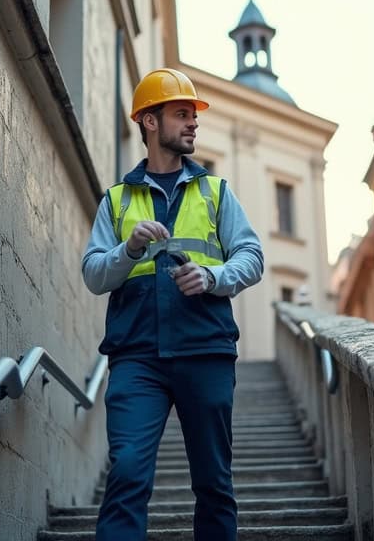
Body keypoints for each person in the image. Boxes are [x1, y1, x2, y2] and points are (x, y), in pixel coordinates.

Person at [82, 68, 264, 540]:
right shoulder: (117, 201)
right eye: (181, 114)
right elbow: (93, 274)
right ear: (148, 122)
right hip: (136, 358)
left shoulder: (215, 191)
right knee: (126, 474)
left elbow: (252, 255)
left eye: (193, 115)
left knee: (214, 483)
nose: (193, 124)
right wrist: (128, 250)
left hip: (204, 352)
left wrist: (212, 276)